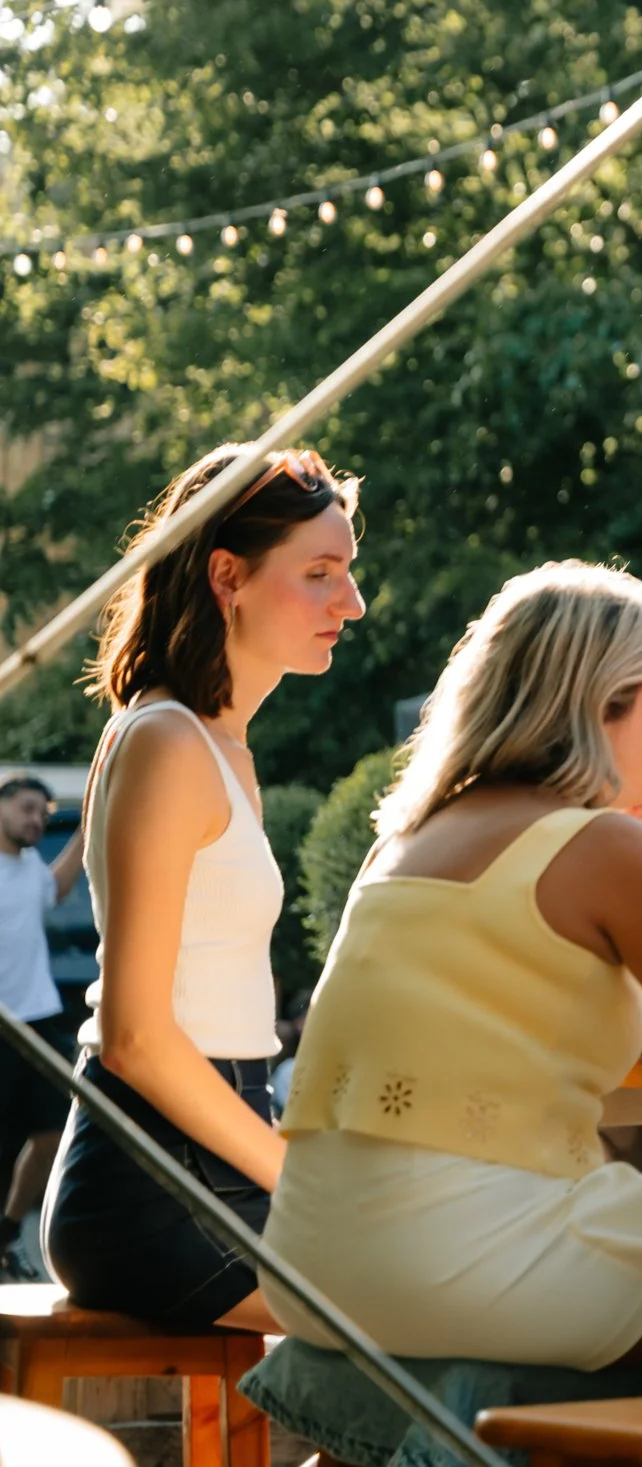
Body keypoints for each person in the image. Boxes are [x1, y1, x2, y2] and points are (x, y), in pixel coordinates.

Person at [261, 562, 642, 1368]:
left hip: (308, 1262)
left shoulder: (404, 844)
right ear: (596, 708)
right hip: (462, 1262)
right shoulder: (600, 847)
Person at [45, 446, 363, 1332]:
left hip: (214, 1152)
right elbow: (136, 1038)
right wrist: (297, 1178)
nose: (353, 602)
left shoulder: (216, 744)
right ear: (228, 574)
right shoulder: (167, 742)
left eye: (348, 573)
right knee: (420, 1331)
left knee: (443, 1310)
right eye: (320, 573)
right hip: (152, 1187)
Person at [0, 776, 81, 1272]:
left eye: (43, 815)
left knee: (56, 1130)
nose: (36, 820)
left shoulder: (31, 869)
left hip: (36, 1020)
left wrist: (87, 828)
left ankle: (7, 1230)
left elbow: (58, 885)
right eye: (28, 809)